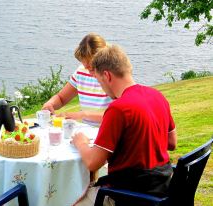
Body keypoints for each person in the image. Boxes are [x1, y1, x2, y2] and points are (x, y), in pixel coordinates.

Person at [71, 45, 177, 205]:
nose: (103, 88)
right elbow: (171, 143)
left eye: (100, 81)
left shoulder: (118, 109)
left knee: (71, 200)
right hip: (162, 189)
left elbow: (93, 163)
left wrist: (81, 143)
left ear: (106, 75)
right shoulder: (157, 96)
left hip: (129, 195)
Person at [42, 33, 112, 126]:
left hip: (107, 132)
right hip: (86, 132)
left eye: (90, 66)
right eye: (84, 64)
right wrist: (50, 104)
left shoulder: (113, 76)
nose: (87, 69)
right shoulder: (81, 71)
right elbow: (61, 98)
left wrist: (82, 114)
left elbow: (116, 116)